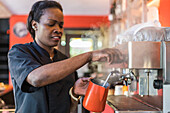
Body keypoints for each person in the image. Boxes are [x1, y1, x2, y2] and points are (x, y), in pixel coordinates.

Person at [8, 1, 122, 113]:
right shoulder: (19, 53)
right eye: (51, 24)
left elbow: (70, 109)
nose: (58, 29)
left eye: (61, 25)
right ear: (34, 25)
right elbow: (36, 79)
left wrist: (74, 93)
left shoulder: (64, 60)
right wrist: (89, 55)